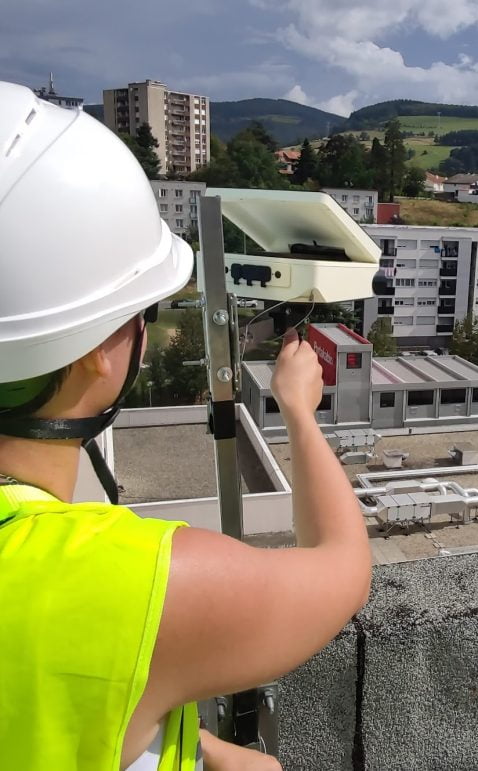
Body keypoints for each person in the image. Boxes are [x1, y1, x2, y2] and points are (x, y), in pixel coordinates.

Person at [0, 81, 372, 770]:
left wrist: (188, 748)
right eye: (138, 309)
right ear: (93, 348)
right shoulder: (142, 582)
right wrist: (299, 413)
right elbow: (341, 570)